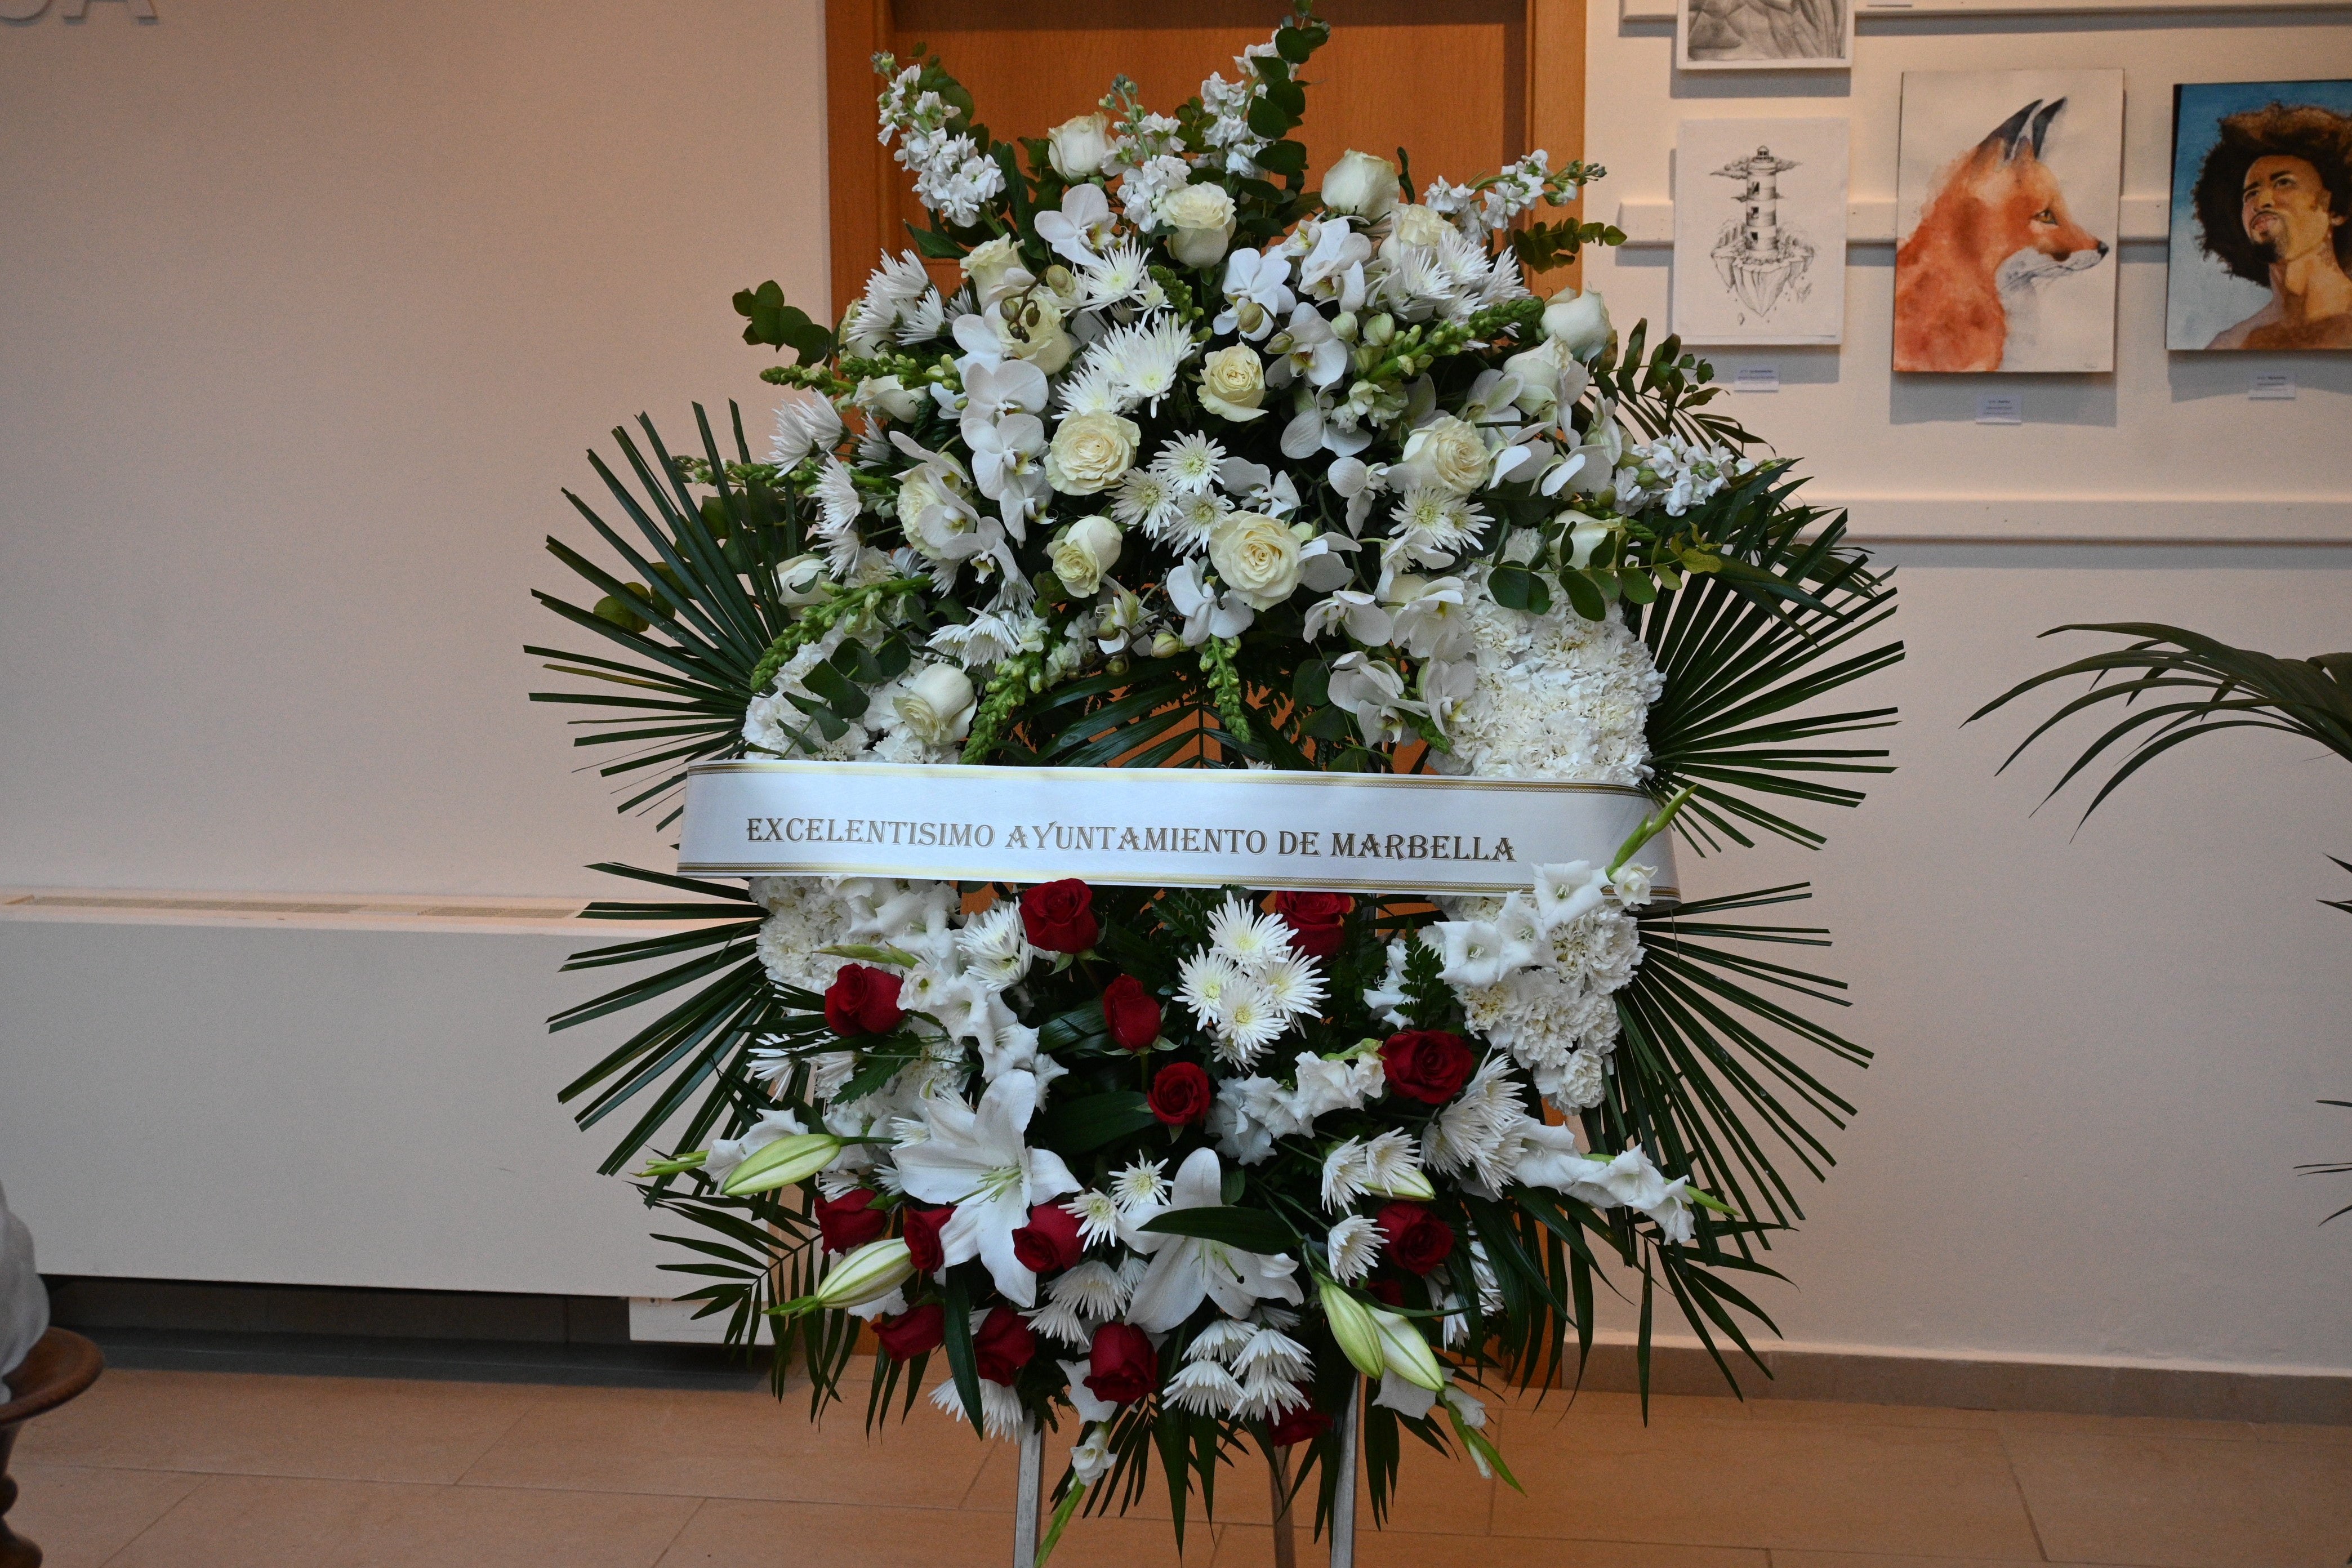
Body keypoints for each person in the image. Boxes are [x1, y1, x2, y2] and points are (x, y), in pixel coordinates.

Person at [2191, 102, 2352, 349]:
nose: (2261, 201)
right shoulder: (2231, 344)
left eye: (2284, 183)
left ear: (2336, 210)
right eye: (2250, 194)